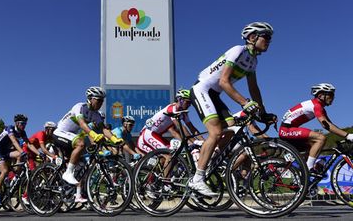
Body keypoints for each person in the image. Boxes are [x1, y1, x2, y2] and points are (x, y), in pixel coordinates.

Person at [189, 22, 274, 196]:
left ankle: (210, 156)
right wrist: (244, 103)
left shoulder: (253, 61)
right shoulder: (238, 50)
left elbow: (254, 89)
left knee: (231, 127)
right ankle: (197, 178)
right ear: (252, 37)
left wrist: (263, 113)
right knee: (215, 132)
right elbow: (224, 81)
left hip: (215, 95)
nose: (269, 41)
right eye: (266, 37)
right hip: (202, 90)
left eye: (270, 38)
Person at [53, 86, 123, 203]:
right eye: (98, 100)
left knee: (81, 165)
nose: (101, 103)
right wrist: (93, 135)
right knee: (80, 143)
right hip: (60, 133)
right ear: (90, 98)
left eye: (102, 100)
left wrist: (115, 139)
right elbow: (82, 124)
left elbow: (104, 129)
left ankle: (72, 191)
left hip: (71, 136)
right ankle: (68, 173)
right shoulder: (80, 107)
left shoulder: (96, 114)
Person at [279, 83, 353, 173]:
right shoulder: (316, 106)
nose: (332, 97)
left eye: (333, 95)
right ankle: (309, 169)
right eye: (330, 94)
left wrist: (345, 135)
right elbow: (326, 126)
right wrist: (347, 135)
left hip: (290, 129)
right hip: (286, 130)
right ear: (320, 95)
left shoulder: (319, 107)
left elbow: (330, 125)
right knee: (320, 138)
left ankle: (303, 179)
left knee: (312, 147)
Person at [136, 89, 204, 154]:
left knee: (173, 154)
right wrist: (194, 141)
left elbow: (191, 127)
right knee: (168, 155)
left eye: (190, 103)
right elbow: (180, 127)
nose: (189, 105)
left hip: (157, 135)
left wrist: (203, 141)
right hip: (148, 133)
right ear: (180, 100)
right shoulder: (172, 108)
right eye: (187, 102)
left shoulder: (183, 113)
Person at [0, 114, 28, 206]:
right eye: (22, 123)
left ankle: (16, 176)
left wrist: (39, 153)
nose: (24, 125)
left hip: (6, 151)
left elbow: (29, 144)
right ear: (17, 123)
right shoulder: (9, 128)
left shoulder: (23, 132)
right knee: (5, 170)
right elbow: (14, 141)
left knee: (20, 155)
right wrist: (22, 151)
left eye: (25, 124)